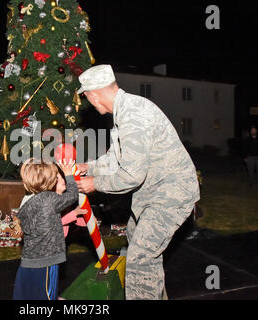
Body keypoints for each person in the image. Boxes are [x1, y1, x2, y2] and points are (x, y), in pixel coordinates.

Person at [75, 64, 200, 300]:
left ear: (93, 95)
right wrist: (89, 167)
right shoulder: (124, 112)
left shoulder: (134, 115)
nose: (89, 103)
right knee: (136, 239)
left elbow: (132, 176)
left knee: (140, 257)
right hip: (153, 192)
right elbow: (116, 158)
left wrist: (95, 184)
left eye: (87, 97)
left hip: (171, 193)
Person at [13, 158, 78, 300]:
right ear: (51, 181)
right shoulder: (49, 199)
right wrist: (68, 174)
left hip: (27, 260)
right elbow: (73, 195)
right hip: (47, 260)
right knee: (47, 296)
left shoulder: (26, 204)